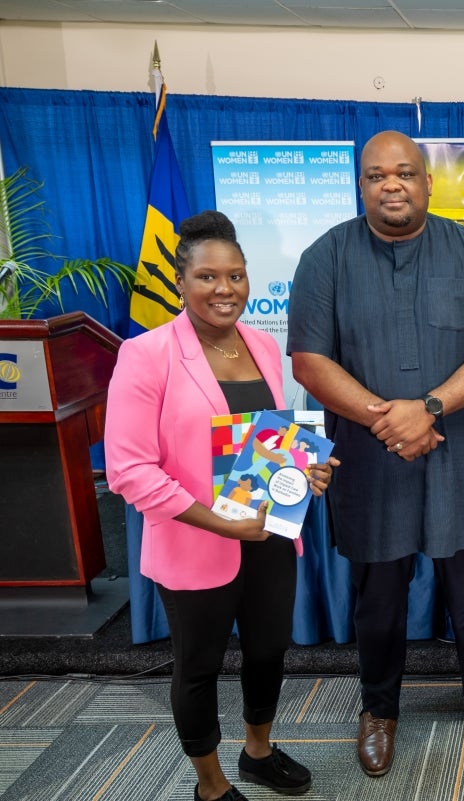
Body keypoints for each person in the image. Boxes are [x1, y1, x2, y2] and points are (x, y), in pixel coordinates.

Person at [287, 130, 464, 777]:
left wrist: (431, 408)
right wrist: (386, 418)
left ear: (427, 181)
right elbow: (309, 360)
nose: (391, 184)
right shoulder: (325, 257)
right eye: (376, 175)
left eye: (404, 173)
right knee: (379, 596)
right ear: (361, 185)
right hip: (369, 460)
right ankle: (379, 708)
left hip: (458, 454)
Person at [105, 210, 337, 801]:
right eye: (208, 277)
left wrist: (300, 471)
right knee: (199, 665)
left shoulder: (262, 345)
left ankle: (257, 751)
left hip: (270, 537)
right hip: (193, 543)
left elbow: (262, 444)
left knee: (267, 650)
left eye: (236, 276)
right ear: (181, 282)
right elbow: (128, 471)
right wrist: (222, 522)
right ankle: (209, 785)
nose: (224, 290)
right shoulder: (145, 354)